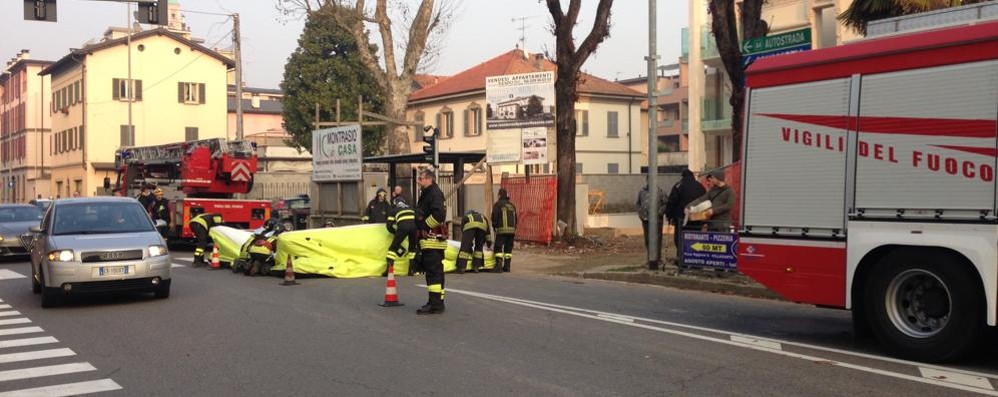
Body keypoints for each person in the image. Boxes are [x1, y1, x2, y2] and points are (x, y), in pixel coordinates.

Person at [415, 169, 447, 315]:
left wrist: (424, 226)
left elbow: (439, 214)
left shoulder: (433, 193)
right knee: (437, 272)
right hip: (432, 240)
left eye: (421, 179)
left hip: (431, 239)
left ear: (429, 179)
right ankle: (437, 301)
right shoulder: (429, 193)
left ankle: (435, 305)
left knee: (433, 272)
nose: (418, 181)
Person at [666, 169, 707, 267]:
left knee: (680, 240)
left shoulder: (678, 186)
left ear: (682, 176)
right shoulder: (700, 186)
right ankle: (696, 262)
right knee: (695, 240)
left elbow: (671, 202)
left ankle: (682, 261)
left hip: (681, 219)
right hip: (697, 219)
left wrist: (669, 216)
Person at [637, 181, 668, 270]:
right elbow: (638, 203)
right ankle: (649, 258)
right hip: (646, 220)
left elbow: (666, 203)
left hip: (657, 220)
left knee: (657, 240)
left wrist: (660, 212)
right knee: (647, 240)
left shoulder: (660, 191)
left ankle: (657, 259)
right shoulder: (642, 191)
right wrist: (641, 214)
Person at [386, 197, 419, 277]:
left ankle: (389, 270)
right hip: (414, 228)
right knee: (412, 249)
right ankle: (411, 270)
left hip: (403, 228)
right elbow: (417, 220)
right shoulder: (410, 208)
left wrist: (395, 233)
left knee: (392, 248)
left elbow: (389, 226)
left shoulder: (393, 210)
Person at [491, 188, 517, 273]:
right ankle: (507, 266)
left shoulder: (498, 205)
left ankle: (498, 266)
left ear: (499, 195)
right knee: (508, 250)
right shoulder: (512, 205)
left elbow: (494, 216)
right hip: (512, 231)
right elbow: (516, 218)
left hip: (502, 230)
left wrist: (494, 225)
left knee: (498, 247)